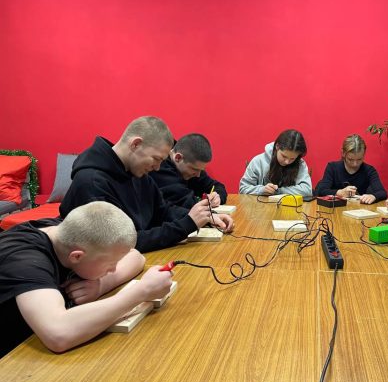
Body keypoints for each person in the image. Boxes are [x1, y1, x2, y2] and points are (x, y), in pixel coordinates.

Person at [0, 201, 173, 357]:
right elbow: (58, 334)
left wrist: (102, 284)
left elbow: (136, 257)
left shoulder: (69, 234)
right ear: (77, 256)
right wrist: (141, 292)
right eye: (111, 264)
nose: (113, 269)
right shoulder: (25, 260)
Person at [60, 116, 233, 253]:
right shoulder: (92, 183)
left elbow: (163, 210)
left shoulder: (138, 173)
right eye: (156, 159)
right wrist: (187, 224)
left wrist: (207, 217)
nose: (157, 168)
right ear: (136, 144)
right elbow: (122, 244)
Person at [149, 133, 227, 209]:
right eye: (195, 169)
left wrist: (218, 196)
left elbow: (217, 186)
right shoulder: (159, 168)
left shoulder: (193, 167)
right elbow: (185, 202)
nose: (198, 175)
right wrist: (206, 202)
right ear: (178, 158)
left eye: (200, 170)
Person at [314, 134, 387, 204]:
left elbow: (382, 192)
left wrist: (373, 196)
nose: (355, 164)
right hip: (335, 209)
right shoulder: (332, 168)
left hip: (359, 210)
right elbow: (321, 191)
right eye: (350, 159)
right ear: (343, 153)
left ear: (364, 154)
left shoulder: (369, 170)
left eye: (359, 159)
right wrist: (339, 192)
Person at [239, 129, 312, 196]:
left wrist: (279, 191)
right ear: (277, 146)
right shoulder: (258, 161)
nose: (287, 162)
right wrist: (261, 190)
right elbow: (243, 188)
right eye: (284, 156)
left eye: (292, 159)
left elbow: (307, 191)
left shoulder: (300, 164)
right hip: (259, 205)